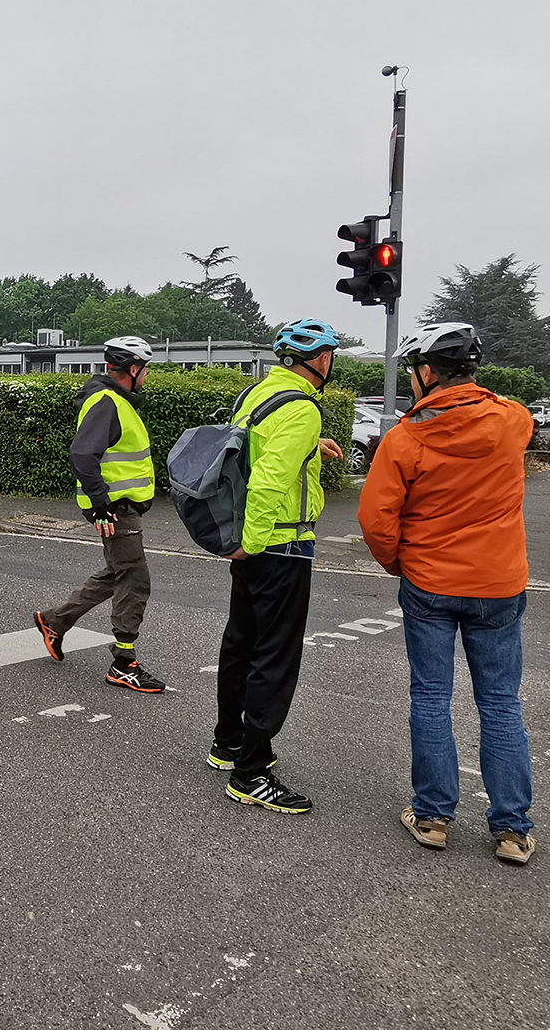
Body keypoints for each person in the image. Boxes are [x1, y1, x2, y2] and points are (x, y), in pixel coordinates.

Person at [357, 322, 539, 866]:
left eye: (415, 371)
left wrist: (399, 563)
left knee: (431, 697)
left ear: (427, 373)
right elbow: (510, 420)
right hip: (500, 585)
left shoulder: (407, 438)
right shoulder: (513, 421)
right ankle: (512, 829)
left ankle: (433, 816)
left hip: (431, 584)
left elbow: (375, 518)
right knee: (501, 704)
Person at [212, 318, 344, 815]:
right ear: (322, 360)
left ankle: (227, 744)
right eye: (331, 355)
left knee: (240, 644)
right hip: (279, 545)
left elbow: (256, 455)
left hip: (249, 545)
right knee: (275, 657)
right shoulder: (304, 409)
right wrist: (253, 541)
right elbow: (268, 480)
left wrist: (315, 452)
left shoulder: (260, 394)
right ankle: (251, 772)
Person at [33, 335, 165, 693]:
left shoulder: (116, 401)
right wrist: (102, 506)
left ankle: (54, 621)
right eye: (146, 369)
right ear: (133, 369)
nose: (148, 375)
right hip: (116, 510)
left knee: (117, 573)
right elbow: (82, 455)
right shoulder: (107, 402)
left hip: (121, 508)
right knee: (136, 580)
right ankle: (124, 664)